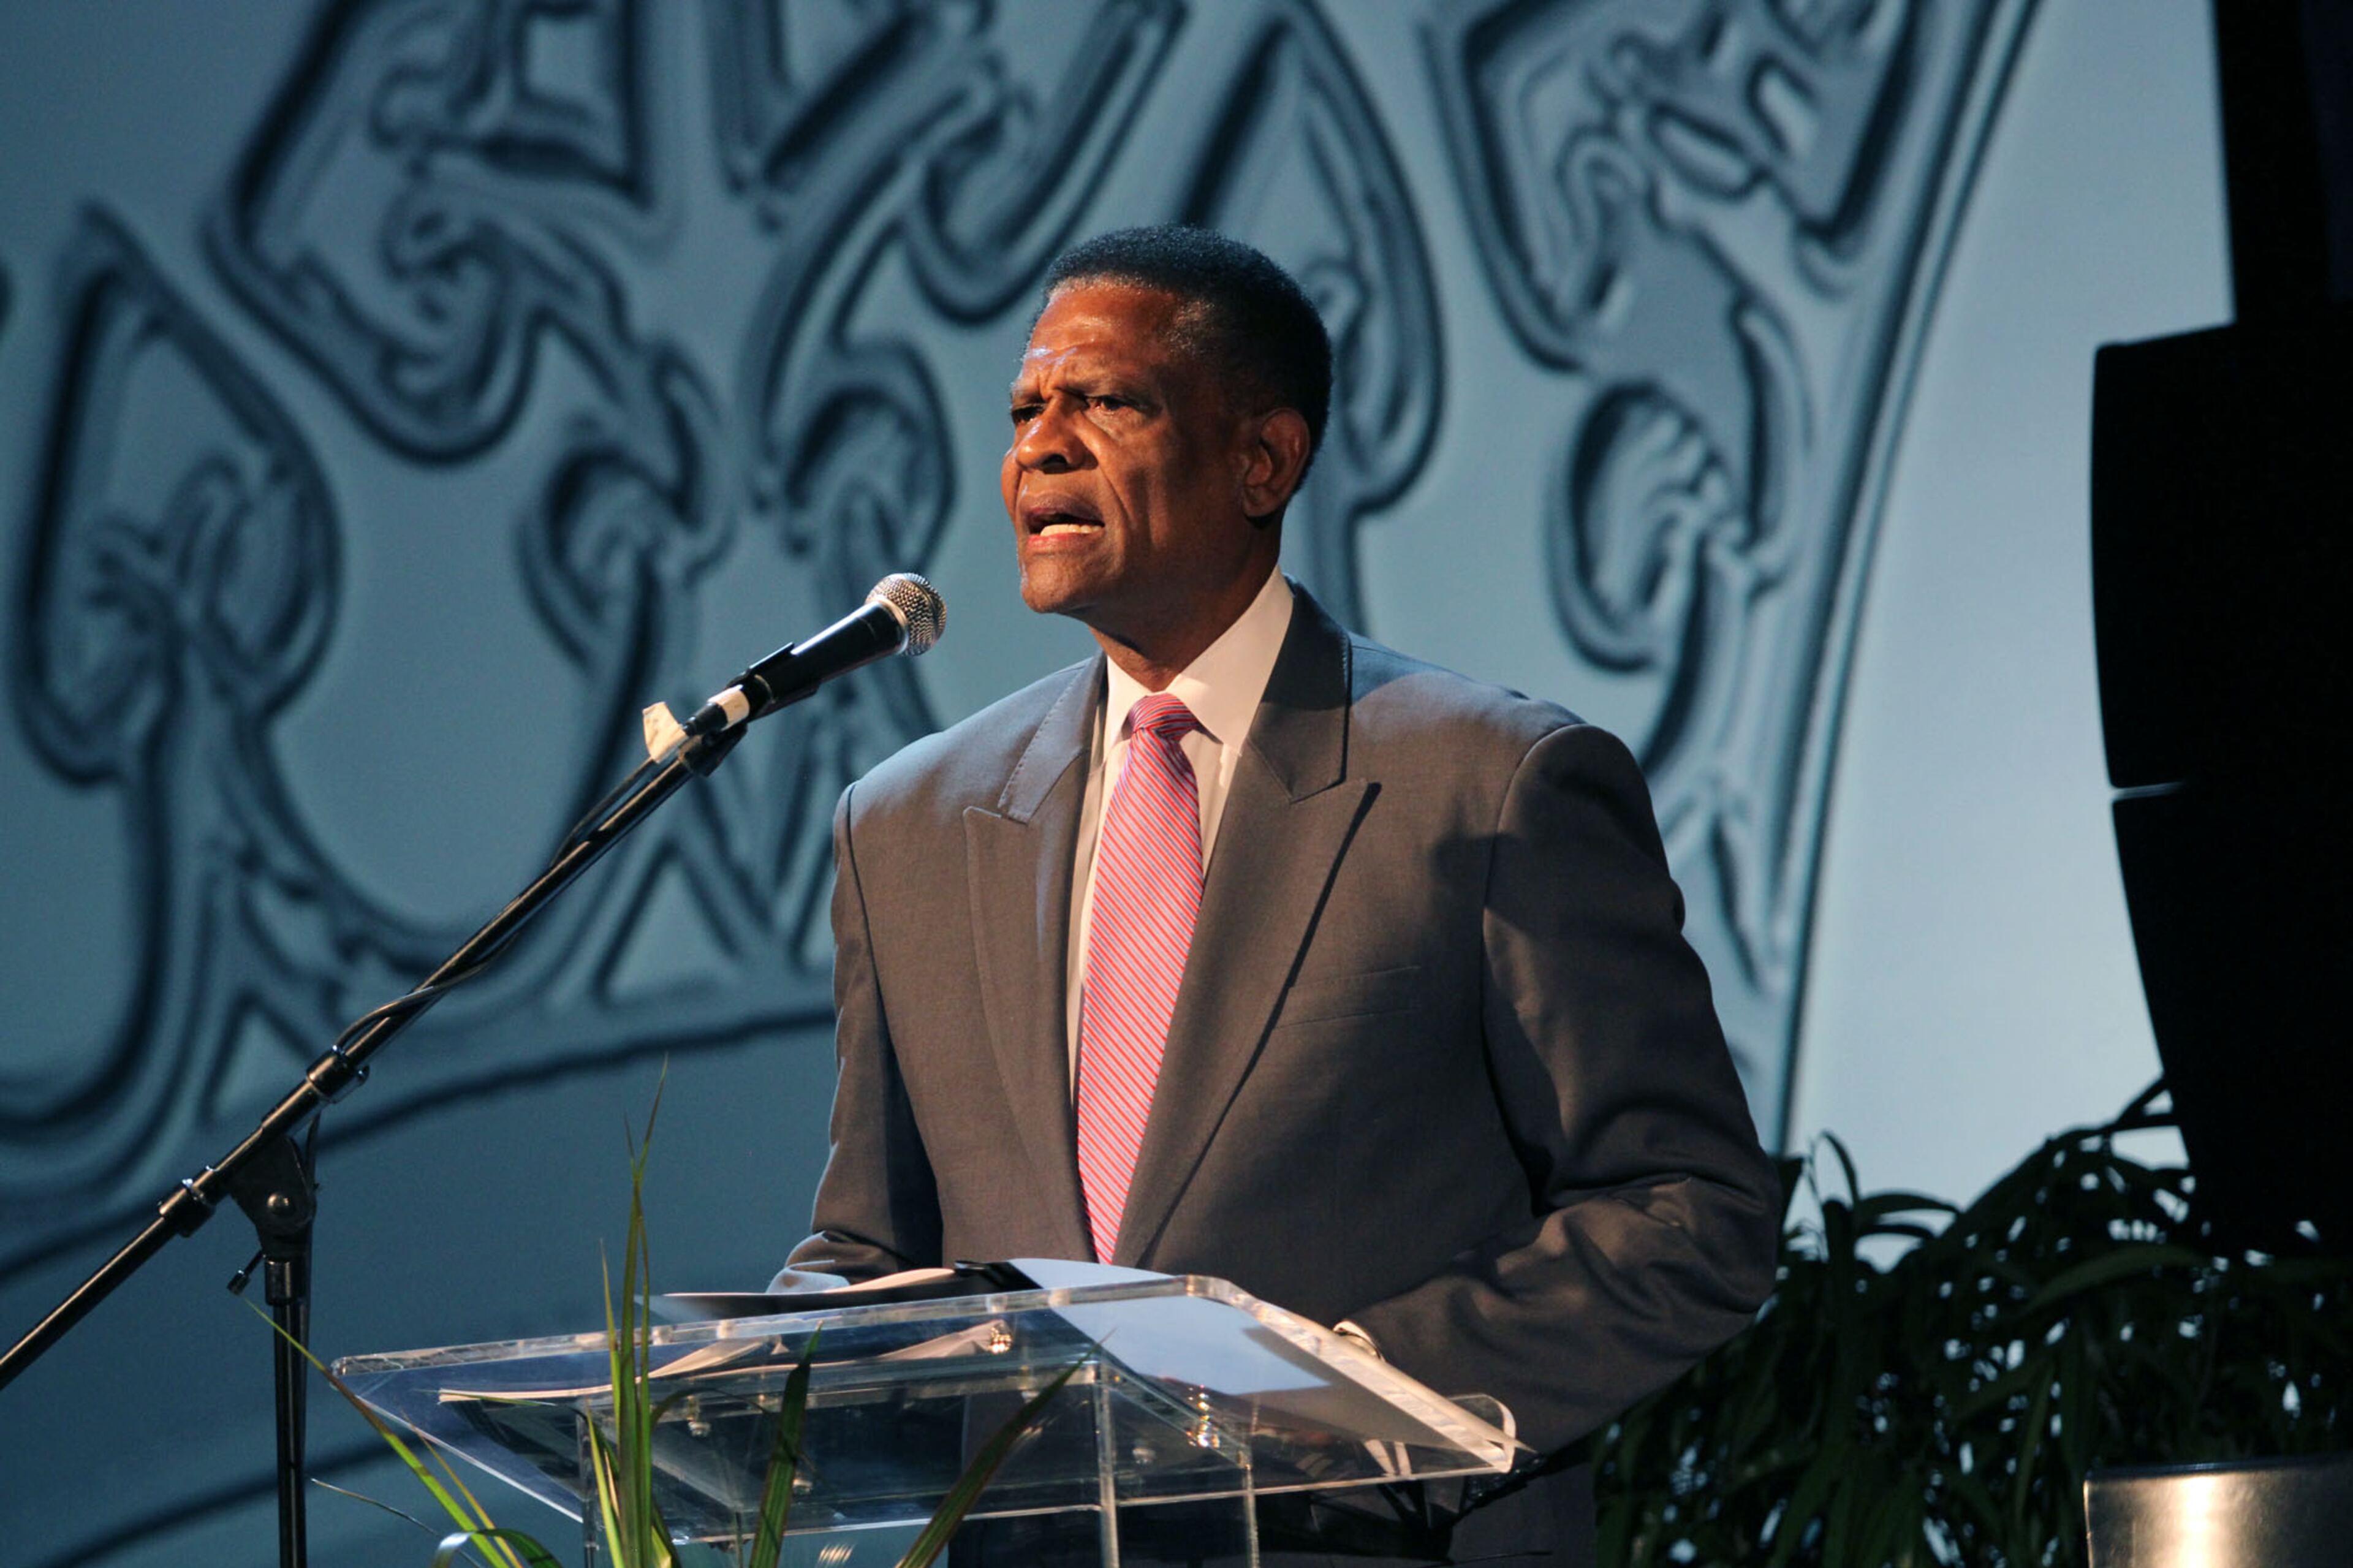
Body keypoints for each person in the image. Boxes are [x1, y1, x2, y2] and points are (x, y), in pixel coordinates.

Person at [784, 226, 1779, 1564]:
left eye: (1107, 402)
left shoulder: (1492, 784)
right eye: (1025, 410)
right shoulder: (908, 822)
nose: (1042, 448)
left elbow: (1685, 1209)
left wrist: (1337, 1387)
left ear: (1264, 459)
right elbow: (873, 1245)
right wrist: (713, 1384)